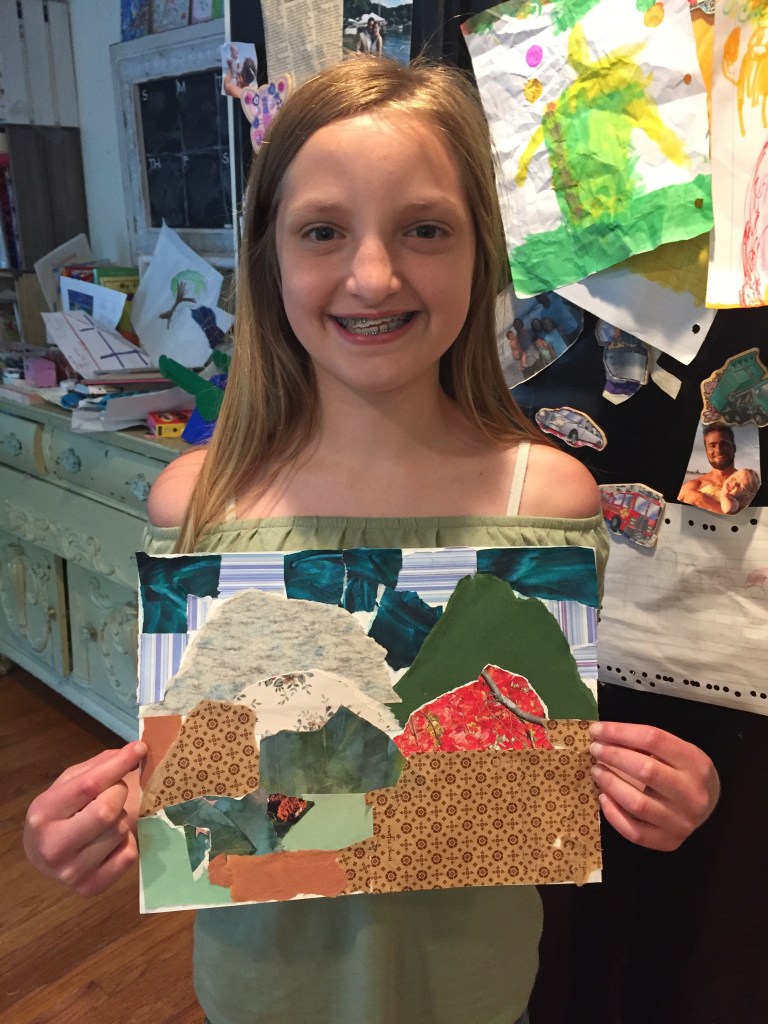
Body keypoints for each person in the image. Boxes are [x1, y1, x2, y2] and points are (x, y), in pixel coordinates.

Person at [24, 57, 719, 1024]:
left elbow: (550, 765)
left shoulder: (550, 497)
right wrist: (90, 823)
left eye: (425, 229)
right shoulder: (196, 504)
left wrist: (668, 790)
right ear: (269, 256)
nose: (374, 275)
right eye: (322, 231)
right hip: (260, 996)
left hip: (479, 997)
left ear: (482, 253)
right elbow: (189, 788)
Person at [678, 422, 759, 515]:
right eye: (712, 445)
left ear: (733, 447)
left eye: (724, 444)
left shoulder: (749, 486)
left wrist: (704, 501)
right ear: (706, 451)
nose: (718, 450)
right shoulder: (692, 487)